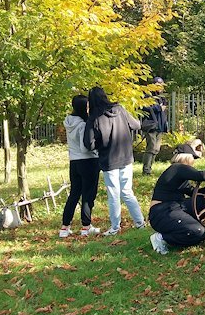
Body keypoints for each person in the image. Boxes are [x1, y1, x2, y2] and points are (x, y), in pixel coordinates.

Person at [148, 139, 205, 254]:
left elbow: (196, 193)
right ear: (187, 158)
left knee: (200, 201)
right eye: (193, 158)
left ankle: (186, 225)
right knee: (199, 232)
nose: (193, 162)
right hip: (162, 213)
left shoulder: (178, 175)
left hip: (172, 208)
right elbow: (200, 175)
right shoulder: (177, 168)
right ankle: (162, 238)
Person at [84, 86, 145, 235]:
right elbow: (136, 124)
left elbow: (88, 144)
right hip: (126, 157)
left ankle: (115, 227)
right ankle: (140, 222)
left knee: (114, 194)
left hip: (108, 159)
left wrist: (100, 144)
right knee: (127, 191)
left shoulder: (95, 117)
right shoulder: (120, 109)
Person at [59, 95, 101, 238]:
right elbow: (86, 147)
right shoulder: (83, 125)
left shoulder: (69, 121)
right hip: (88, 161)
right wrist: (97, 150)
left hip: (74, 161)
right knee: (88, 195)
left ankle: (65, 227)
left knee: (74, 193)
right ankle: (86, 226)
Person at [141, 76, 169, 176]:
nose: (160, 87)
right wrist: (158, 108)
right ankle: (146, 170)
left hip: (160, 126)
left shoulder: (162, 97)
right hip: (151, 126)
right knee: (151, 148)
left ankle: (150, 168)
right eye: (158, 85)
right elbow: (144, 107)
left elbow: (163, 111)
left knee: (156, 149)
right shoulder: (147, 95)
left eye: (161, 85)